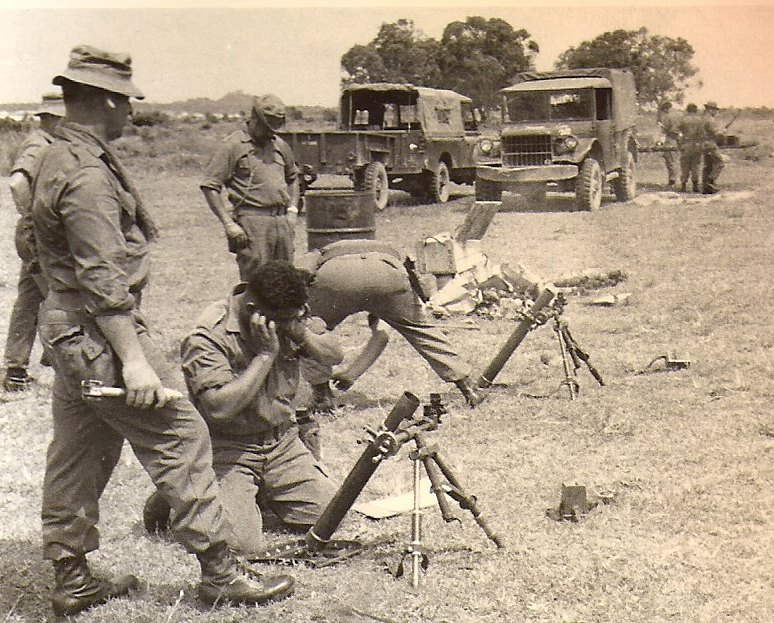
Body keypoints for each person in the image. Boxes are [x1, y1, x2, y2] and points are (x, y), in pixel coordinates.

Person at [31, 44, 294, 617]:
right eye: (125, 101)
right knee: (183, 435)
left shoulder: (57, 156)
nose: (131, 113)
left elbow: (36, 250)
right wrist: (134, 360)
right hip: (100, 333)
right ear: (104, 99)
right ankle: (221, 572)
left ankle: (72, 576)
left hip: (70, 329)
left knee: (80, 449)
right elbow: (102, 277)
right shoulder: (86, 175)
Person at [143, 261, 343, 554]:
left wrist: (301, 335)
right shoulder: (207, 338)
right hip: (228, 448)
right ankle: (174, 496)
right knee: (241, 544)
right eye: (285, 320)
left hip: (281, 442)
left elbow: (333, 356)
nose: (291, 324)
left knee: (331, 517)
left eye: (295, 317)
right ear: (253, 310)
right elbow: (218, 410)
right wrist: (264, 356)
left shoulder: (287, 313)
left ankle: (260, 492)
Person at [296, 239, 484, 411]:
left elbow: (301, 272)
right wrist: (353, 373)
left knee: (310, 331)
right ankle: (468, 388)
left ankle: (322, 396)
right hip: (388, 273)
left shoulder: (319, 252)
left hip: (336, 275)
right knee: (422, 331)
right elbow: (382, 334)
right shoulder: (388, 251)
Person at [200, 94, 300, 281]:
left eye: (275, 128)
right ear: (254, 119)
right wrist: (229, 224)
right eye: (267, 127)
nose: (271, 133)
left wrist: (292, 211)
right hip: (252, 223)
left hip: (281, 223)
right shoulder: (233, 145)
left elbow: (293, 177)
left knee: (285, 282)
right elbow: (210, 186)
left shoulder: (279, 145)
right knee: (256, 282)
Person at [2, 93, 64, 391]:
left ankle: (15, 370)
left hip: (35, 237)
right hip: (38, 237)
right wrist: (33, 221)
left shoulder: (47, 143)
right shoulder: (40, 144)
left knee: (29, 300)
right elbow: (17, 183)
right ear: (53, 118)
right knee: (59, 298)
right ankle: (59, 361)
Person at [678, 103, 704, 193]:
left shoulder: (683, 120)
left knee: (685, 165)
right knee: (695, 166)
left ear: (687, 110)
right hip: (696, 144)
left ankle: (683, 185)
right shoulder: (700, 120)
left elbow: (679, 131)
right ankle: (695, 186)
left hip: (686, 144)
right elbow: (702, 133)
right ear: (695, 111)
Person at [701, 101, 725, 194]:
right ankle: (710, 181)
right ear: (710, 109)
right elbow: (715, 133)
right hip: (710, 144)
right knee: (720, 163)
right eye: (714, 110)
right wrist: (722, 131)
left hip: (703, 144)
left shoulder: (702, 119)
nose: (715, 112)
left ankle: (705, 188)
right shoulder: (710, 120)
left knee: (708, 166)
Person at [657, 101, 681, 189]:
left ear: (666, 109)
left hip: (671, 138)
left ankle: (672, 181)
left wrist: (661, 127)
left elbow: (665, 129)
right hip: (679, 139)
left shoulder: (668, 117)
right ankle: (675, 180)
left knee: (670, 161)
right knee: (674, 160)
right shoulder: (680, 114)